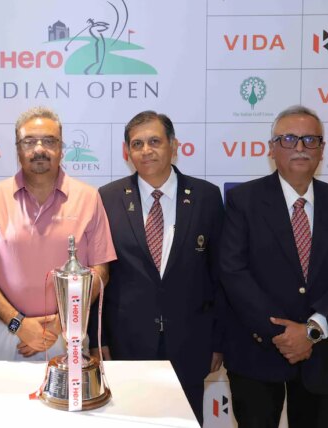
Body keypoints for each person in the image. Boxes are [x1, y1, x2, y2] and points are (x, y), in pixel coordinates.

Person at [221, 105, 328, 428]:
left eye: (310, 139)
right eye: (289, 139)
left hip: (322, 357)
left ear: (322, 149)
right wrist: (285, 334)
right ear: (271, 148)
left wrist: (311, 331)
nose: (300, 147)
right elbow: (233, 273)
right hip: (257, 355)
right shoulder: (242, 201)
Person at [92, 110, 224, 424]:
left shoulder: (206, 196)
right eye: (137, 144)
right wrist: (99, 340)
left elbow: (220, 276)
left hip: (190, 341)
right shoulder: (107, 198)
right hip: (127, 342)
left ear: (173, 146)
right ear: (127, 152)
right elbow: (98, 274)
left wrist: (219, 341)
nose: (146, 150)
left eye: (155, 141)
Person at [0, 106, 116, 361]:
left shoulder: (88, 197)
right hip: (8, 331)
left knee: (69, 390)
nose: (39, 149)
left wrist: (63, 322)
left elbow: (100, 271)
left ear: (61, 148)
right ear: (18, 149)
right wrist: (18, 323)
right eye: (29, 141)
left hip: (67, 331)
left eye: (49, 141)